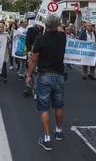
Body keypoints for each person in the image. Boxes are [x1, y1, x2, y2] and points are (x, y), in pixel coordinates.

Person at [26, 16, 67, 151]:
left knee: (44, 107)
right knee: (58, 105)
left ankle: (47, 139)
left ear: (45, 25)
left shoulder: (40, 39)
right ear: (57, 25)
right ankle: (59, 131)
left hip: (44, 76)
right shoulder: (62, 37)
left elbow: (33, 60)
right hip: (59, 75)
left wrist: (29, 75)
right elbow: (60, 29)